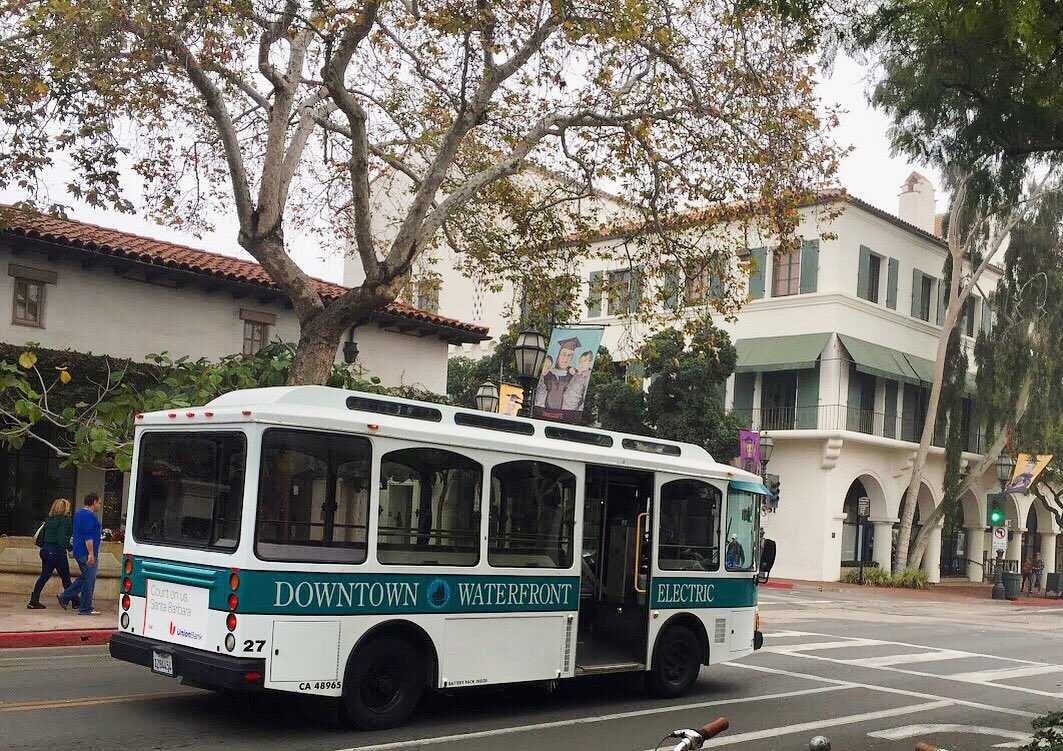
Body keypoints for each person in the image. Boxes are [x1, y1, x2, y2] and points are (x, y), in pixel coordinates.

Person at [59, 492, 103, 615]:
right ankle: (85, 608)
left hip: (79, 551)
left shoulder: (78, 514)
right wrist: (91, 553)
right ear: (93, 502)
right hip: (86, 552)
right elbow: (88, 536)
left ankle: (65, 596)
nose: (100, 505)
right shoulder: (89, 516)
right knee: (89, 580)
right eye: (99, 502)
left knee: (85, 577)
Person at [27, 498, 73, 609]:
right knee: (66, 578)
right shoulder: (65, 520)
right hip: (57, 552)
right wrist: (71, 548)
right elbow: (62, 539)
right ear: (65, 509)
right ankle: (76, 601)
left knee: (44, 576)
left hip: (45, 551)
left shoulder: (49, 520)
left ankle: (33, 600)